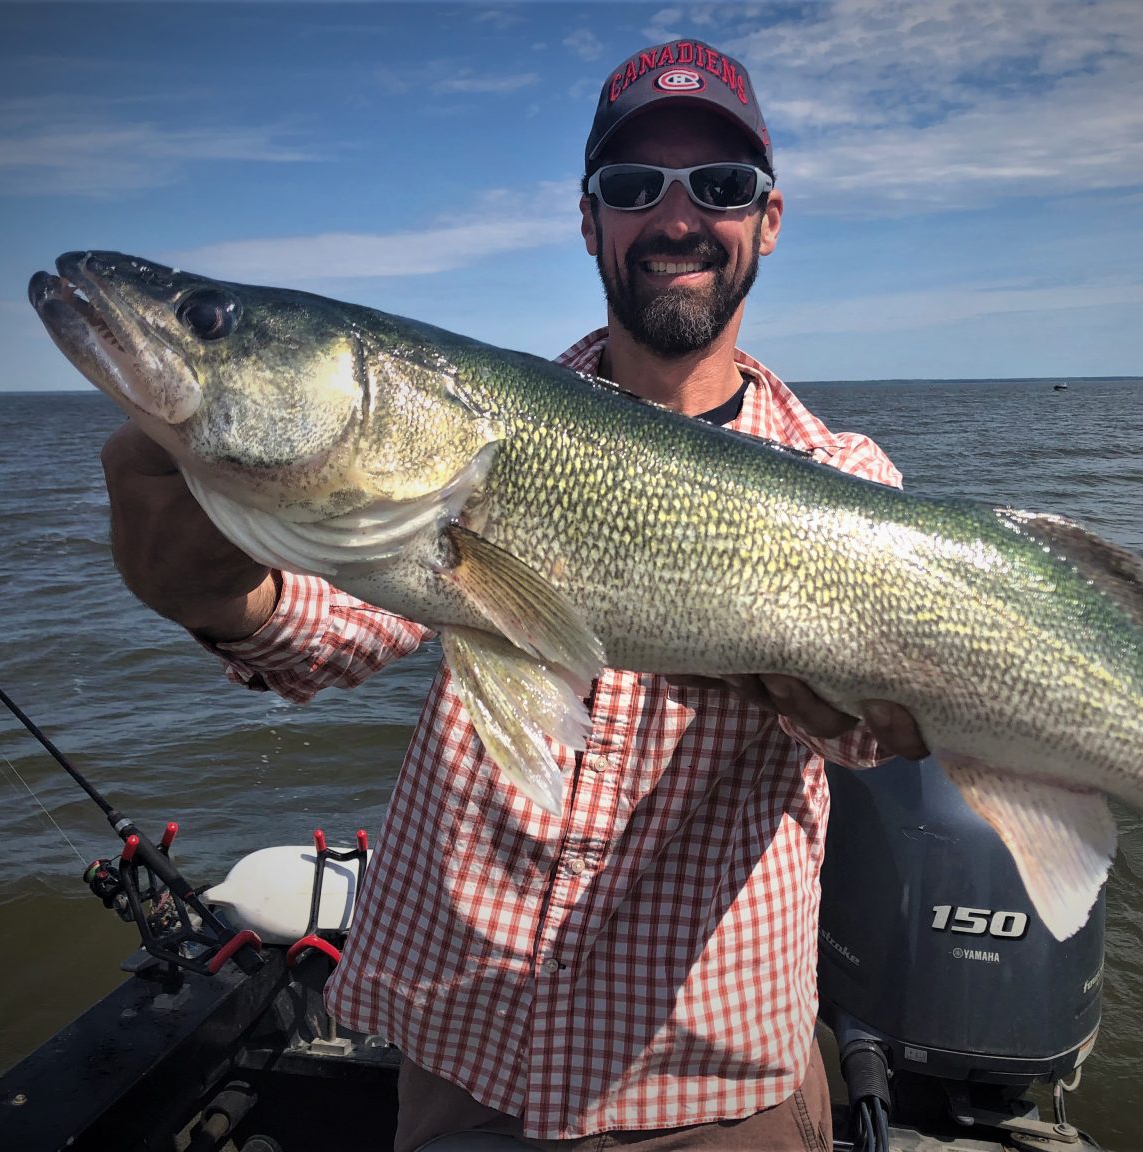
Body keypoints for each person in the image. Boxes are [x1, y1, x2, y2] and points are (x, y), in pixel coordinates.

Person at [101, 37, 926, 1152]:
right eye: (634, 188)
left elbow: (881, 743)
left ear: (767, 220)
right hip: (462, 1064)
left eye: (720, 187)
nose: (678, 218)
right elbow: (324, 633)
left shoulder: (854, 486)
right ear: (589, 222)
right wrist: (216, 591)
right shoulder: (461, 435)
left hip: (707, 1090)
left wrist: (869, 717)